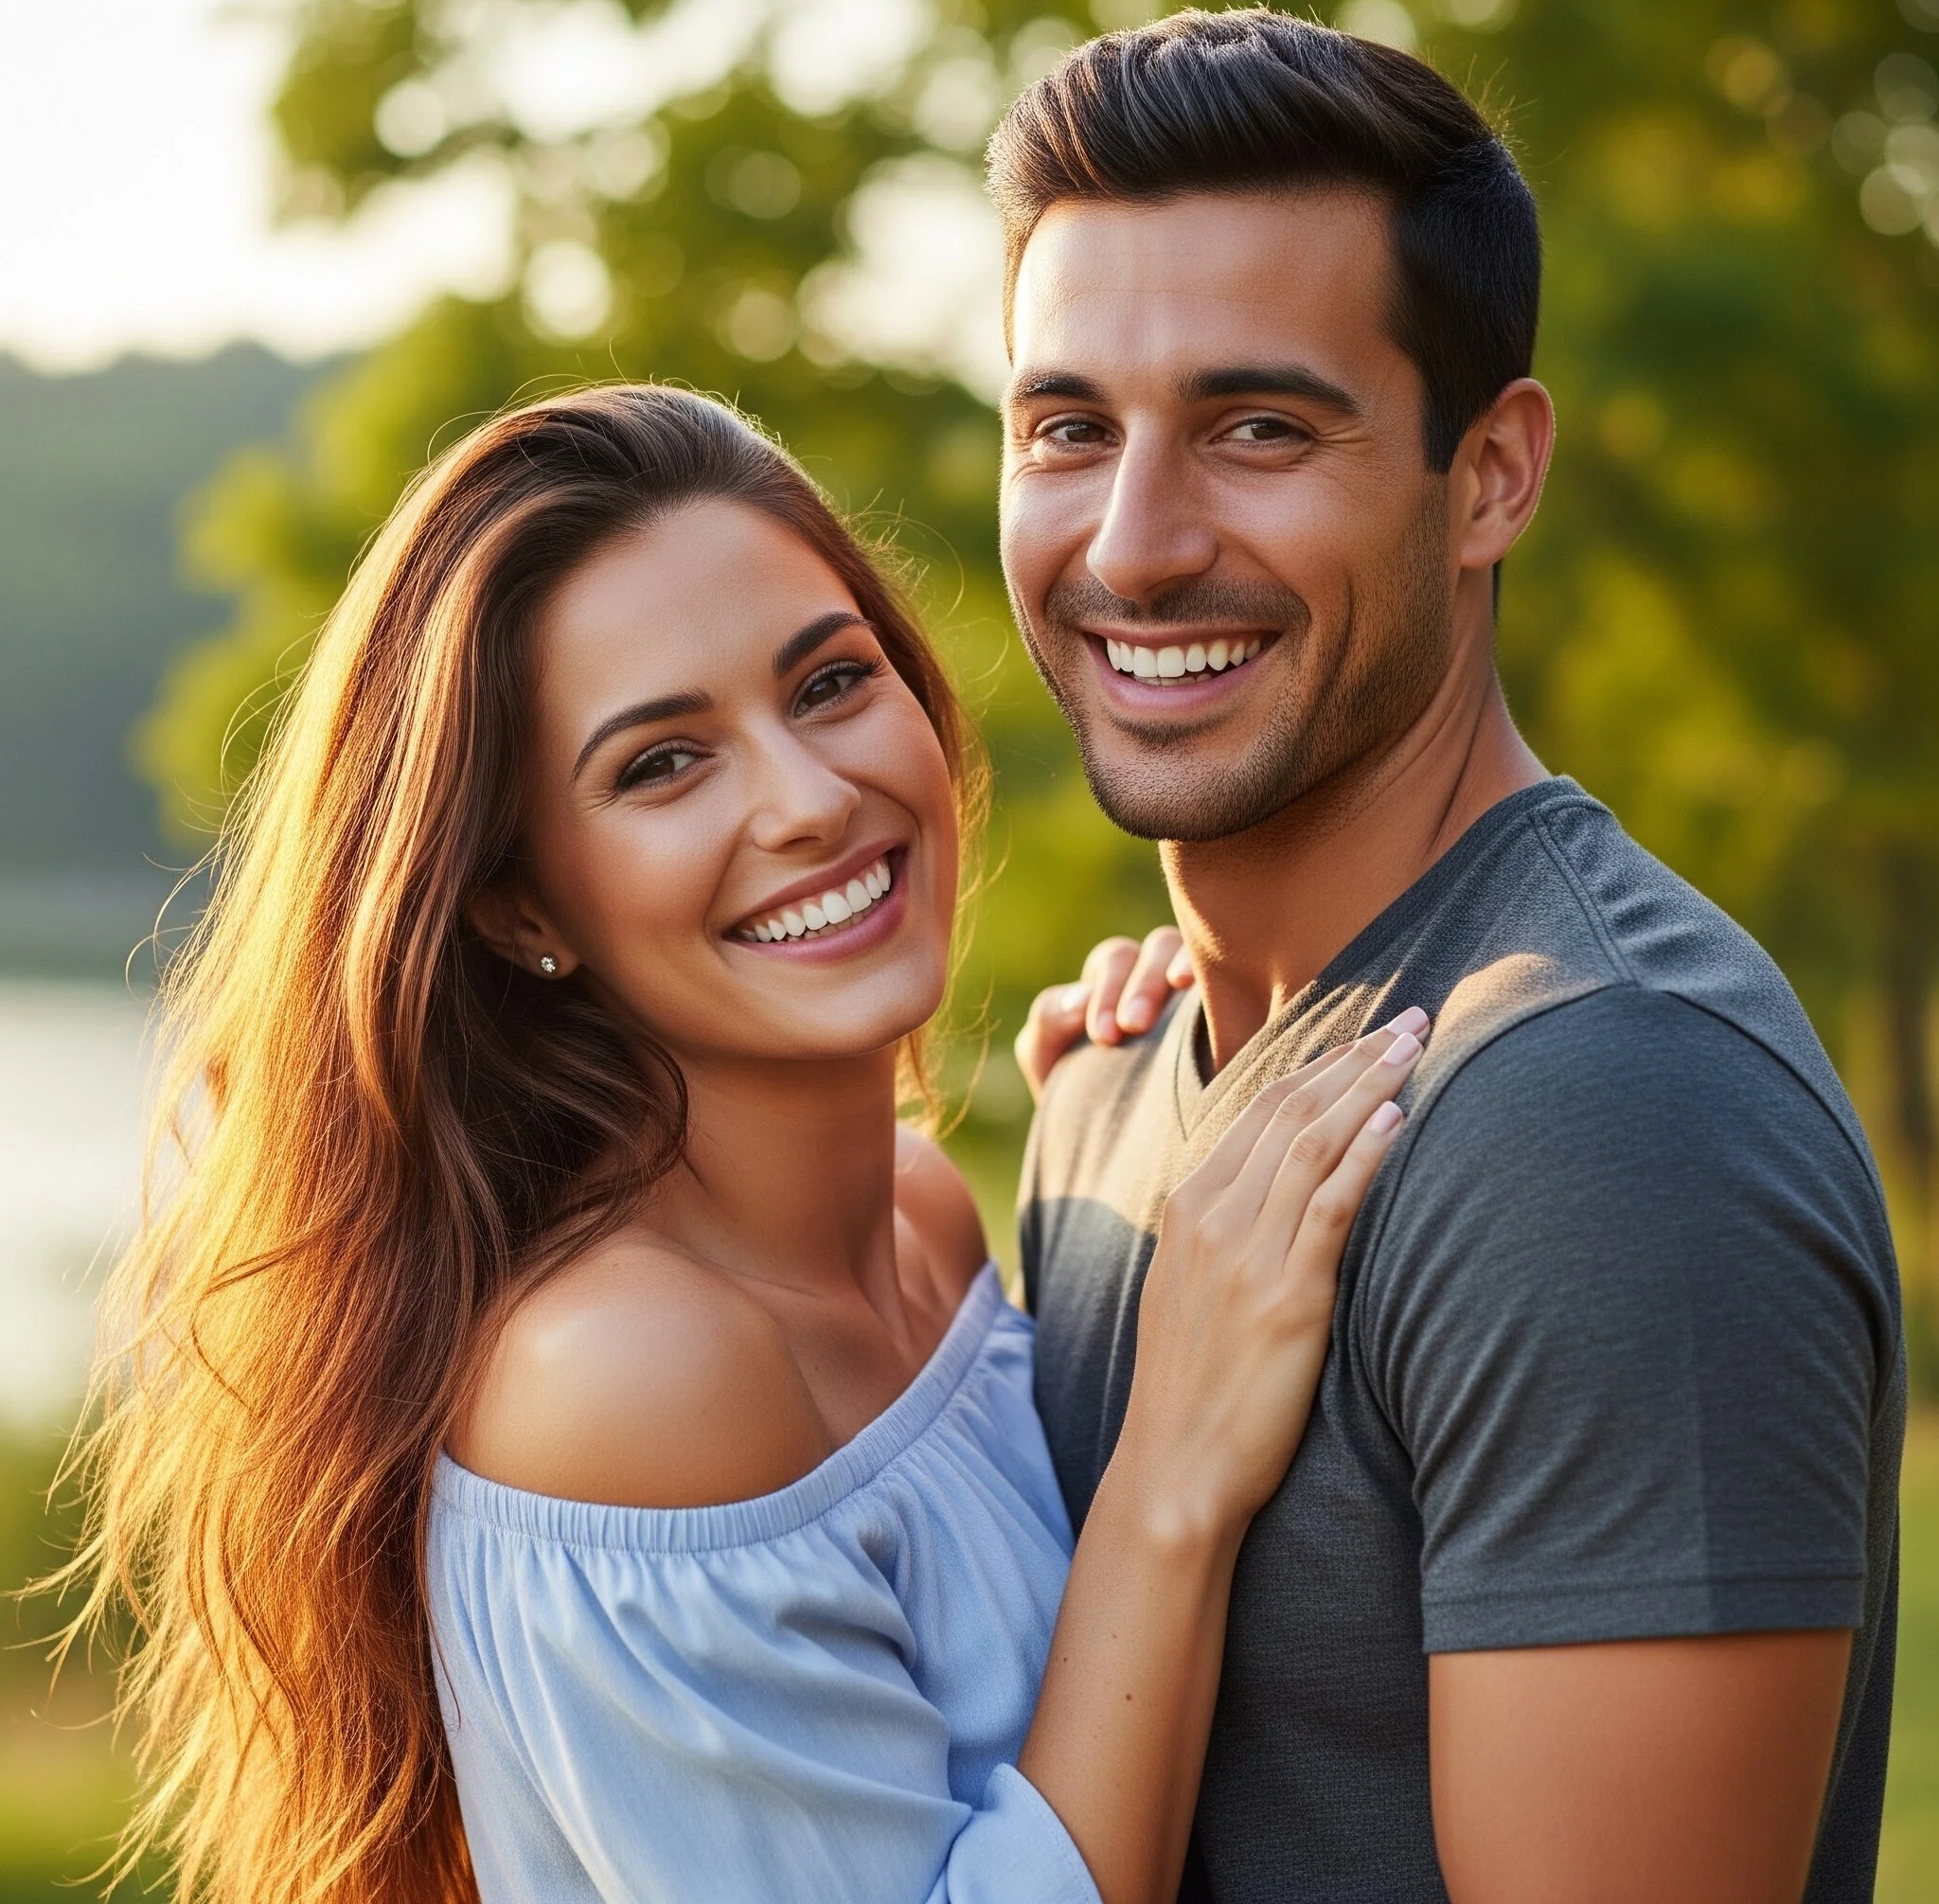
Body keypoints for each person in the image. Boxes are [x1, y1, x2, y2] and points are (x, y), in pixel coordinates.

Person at [76, 382, 1432, 1904]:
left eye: (831, 684)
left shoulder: (924, 1216)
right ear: (522, 907)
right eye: (661, 763)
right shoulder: (628, 1376)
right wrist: (1175, 1463)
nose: (809, 799)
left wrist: (1129, 1124)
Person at [992, 9, 1905, 1904]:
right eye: (1068, 427)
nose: (1133, 543)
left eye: (1256, 427)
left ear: (1489, 476)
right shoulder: (1109, 1091)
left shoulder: (1603, 1118)